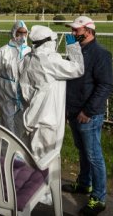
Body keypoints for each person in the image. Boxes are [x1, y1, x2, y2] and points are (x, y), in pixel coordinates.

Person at [63, 16, 113, 215]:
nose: (73, 33)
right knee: (82, 151)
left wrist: (88, 111)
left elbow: (105, 86)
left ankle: (99, 198)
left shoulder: (101, 54)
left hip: (88, 115)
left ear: (89, 31)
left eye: (76, 30)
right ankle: (85, 184)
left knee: (94, 156)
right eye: (73, 30)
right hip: (74, 111)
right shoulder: (76, 51)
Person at [18, 25, 84, 164]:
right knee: (44, 161)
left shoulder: (27, 59)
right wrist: (73, 45)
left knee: (32, 156)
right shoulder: (50, 60)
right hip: (47, 119)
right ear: (48, 41)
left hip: (32, 115)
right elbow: (77, 69)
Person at [0, 20, 31, 138]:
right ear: (14, 32)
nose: (22, 36)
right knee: (8, 124)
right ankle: (6, 151)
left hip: (23, 97)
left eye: (24, 33)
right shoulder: (3, 51)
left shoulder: (30, 51)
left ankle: (20, 151)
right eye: (19, 32)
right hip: (6, 95)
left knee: (22, 125)